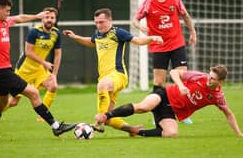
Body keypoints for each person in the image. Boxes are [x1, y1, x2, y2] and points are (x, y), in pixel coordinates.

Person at [0, 0, 75, 140]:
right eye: (7, 11)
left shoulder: (4, 21)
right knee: (33, 93)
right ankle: (56, 126)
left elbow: (20, 18)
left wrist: (36, 16)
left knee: (1, 103)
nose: (9, 14)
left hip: (4, 69)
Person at [63, 8, 163, 135]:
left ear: (110, 20)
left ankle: (99, 121)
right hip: (105, 78)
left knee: (102, 86)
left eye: (102, 22)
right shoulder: (97, 34)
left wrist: (152, 38)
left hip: (118, 75)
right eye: (96, 22)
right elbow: (92, 42)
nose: (99, 25)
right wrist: (75, 37)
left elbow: (137, 40)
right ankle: (133, 130)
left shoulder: (118, 33)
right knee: (109, 118)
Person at [95, 65, 243, 137]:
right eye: (210, 76)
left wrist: (239, 134)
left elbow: (228, 114)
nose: (209, 80)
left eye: (213, 79)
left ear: (221, 82)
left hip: (171, 110)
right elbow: (174, 72)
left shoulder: (218, 97)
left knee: (170, 133)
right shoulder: (199, 76)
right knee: (144, 107)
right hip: (164, 95)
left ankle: (136, 131)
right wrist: (181, 86)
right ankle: (106, 116)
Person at [132, 0, 197, 124]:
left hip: (177, 44)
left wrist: (193, 32)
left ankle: (182, 113)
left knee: (181, 79)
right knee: (159, 83)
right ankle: (158, 115)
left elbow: (185, 16)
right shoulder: (148, 2)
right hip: (159, 47)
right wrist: (140, 26)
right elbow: (135, 19)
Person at [0, 7, 62, 123]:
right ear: (42, 19)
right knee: (14, 102)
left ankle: (43, 116)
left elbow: (58, 54)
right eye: (47, 17)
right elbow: (28, 52)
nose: (49, 20)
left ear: (55, 19)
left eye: (52, 17)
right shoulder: (34, 31)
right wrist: (44, 62)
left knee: (53, 86)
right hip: (25, 69)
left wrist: (54, 74)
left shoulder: (56, 33)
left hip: (39, 69)